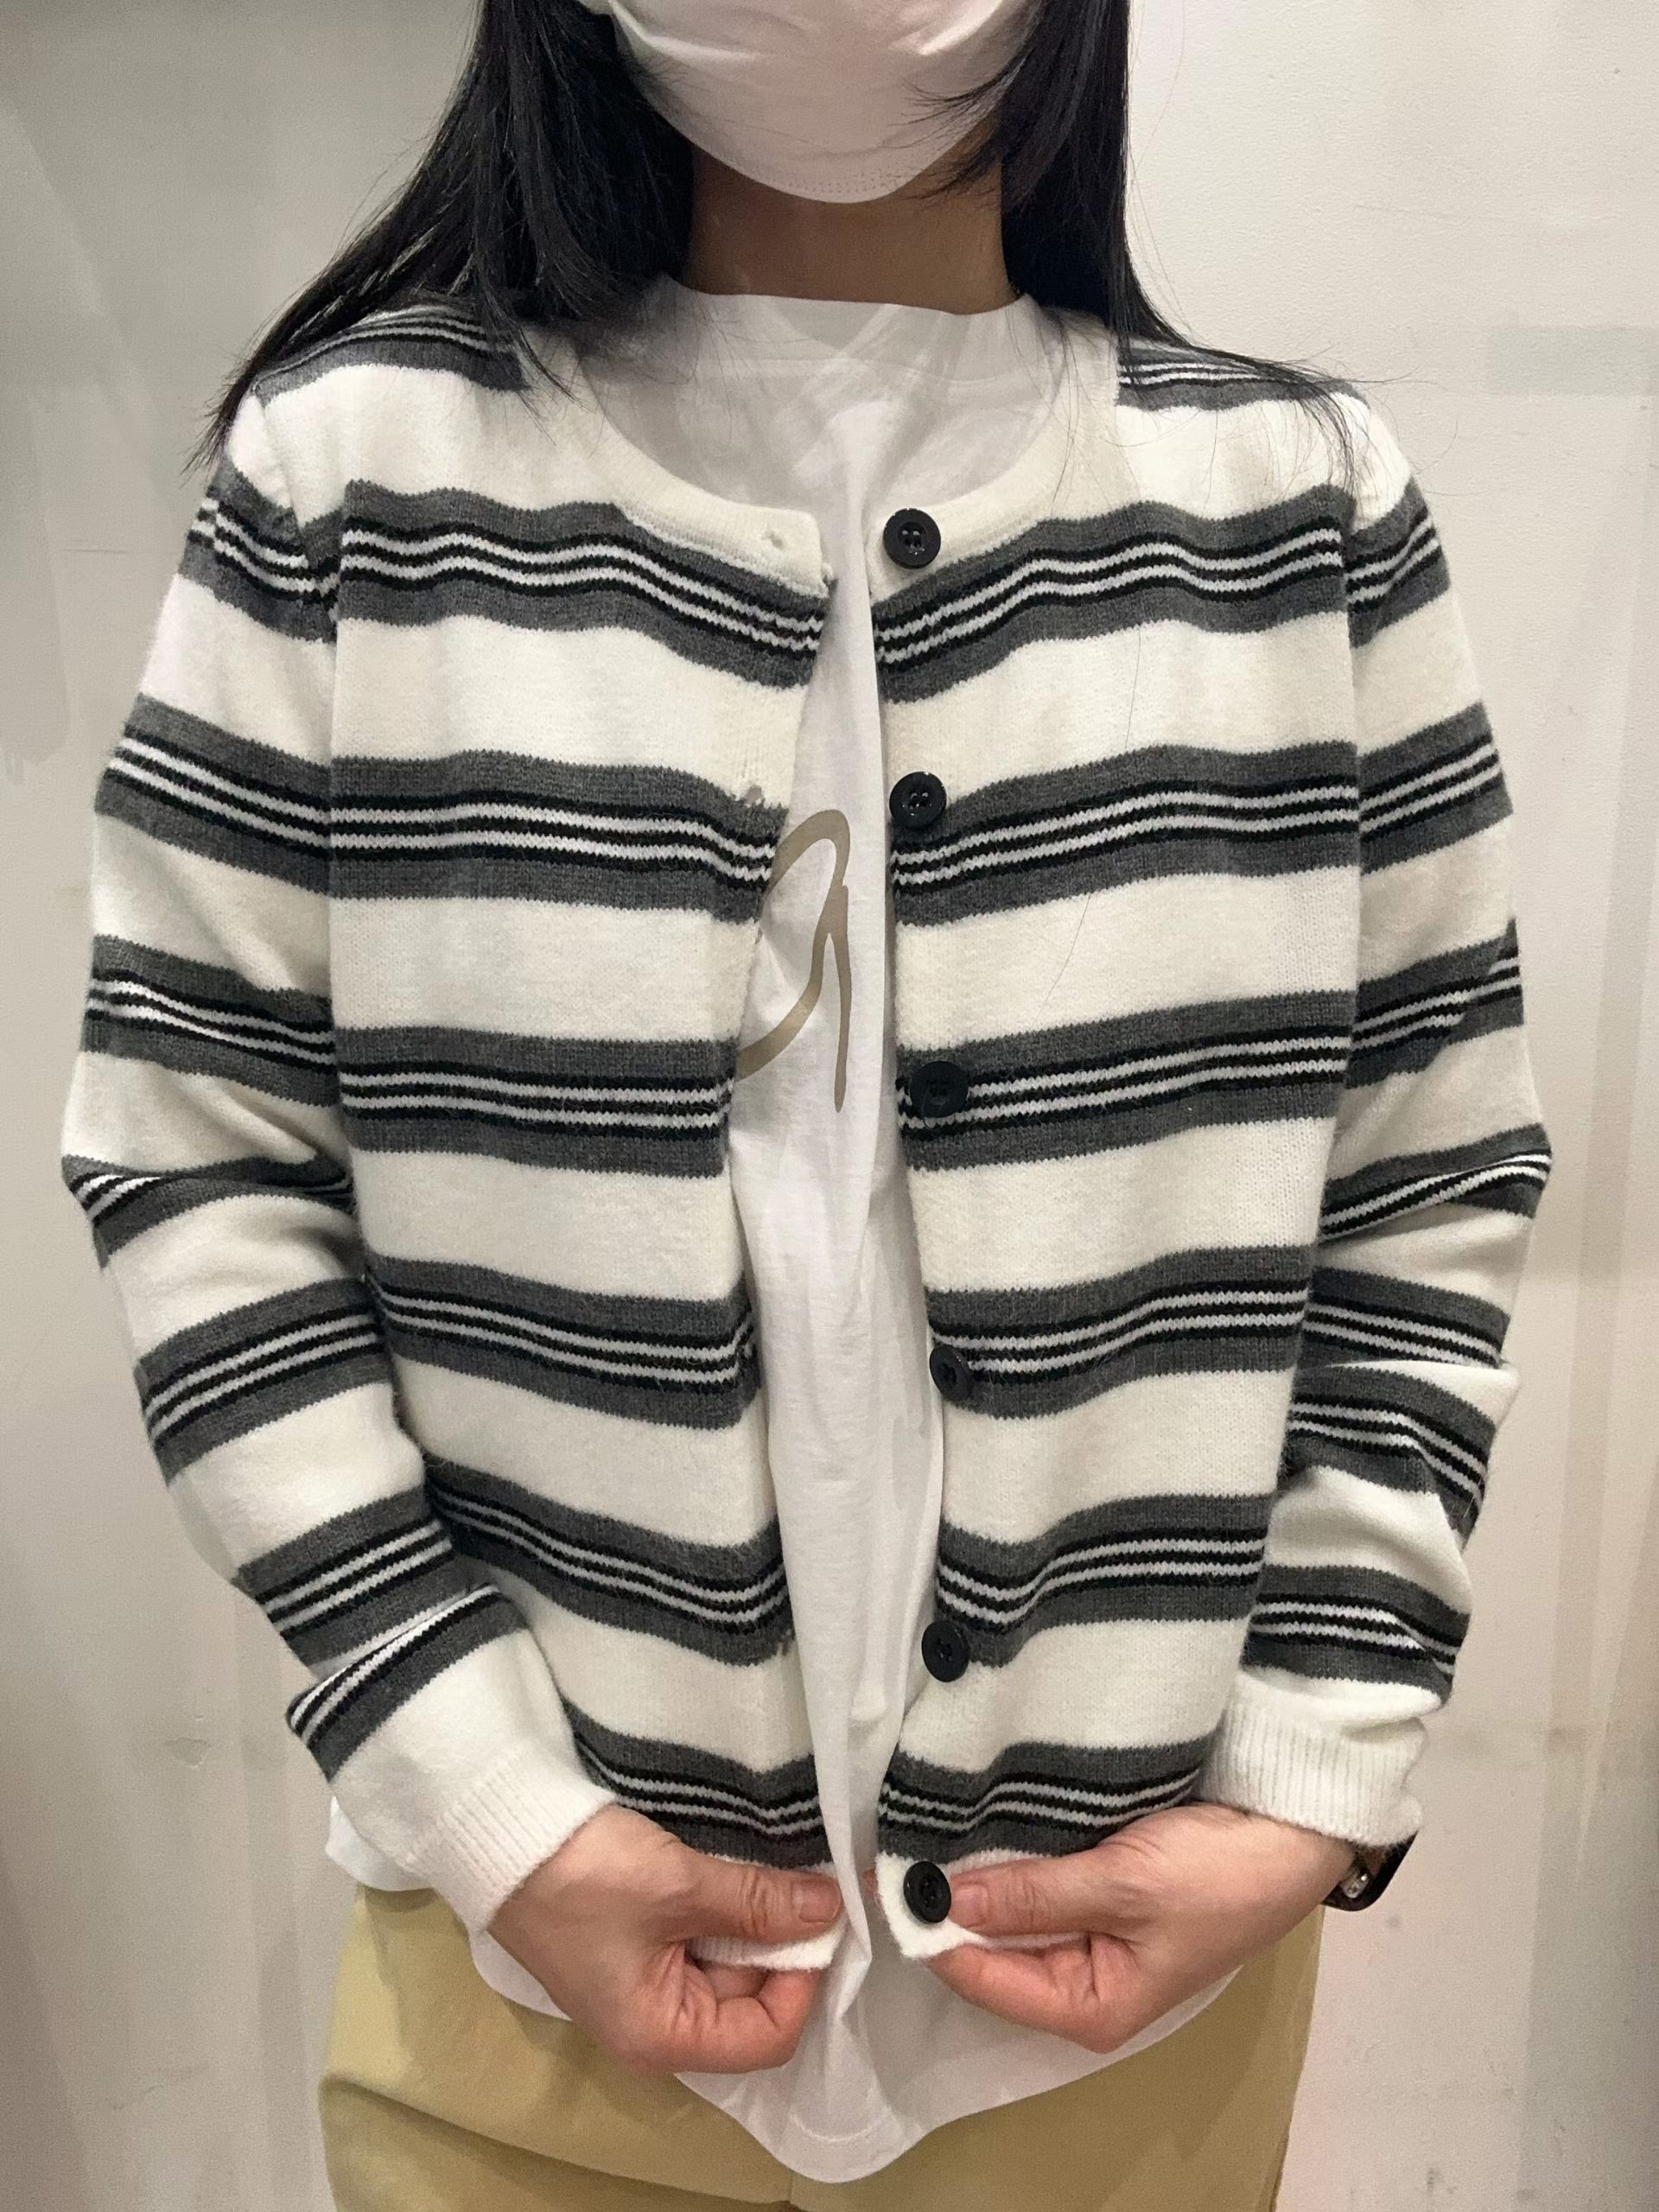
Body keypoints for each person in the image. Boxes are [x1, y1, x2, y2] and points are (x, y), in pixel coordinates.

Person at [56, 2, 1555, 2206]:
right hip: (516, 2022)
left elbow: (1427, 1176)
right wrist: (488, 1797)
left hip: (1119, 2031)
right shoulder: (350, 478)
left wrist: (1314, 1763)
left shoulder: (1297, 509)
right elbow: (197, 1154)